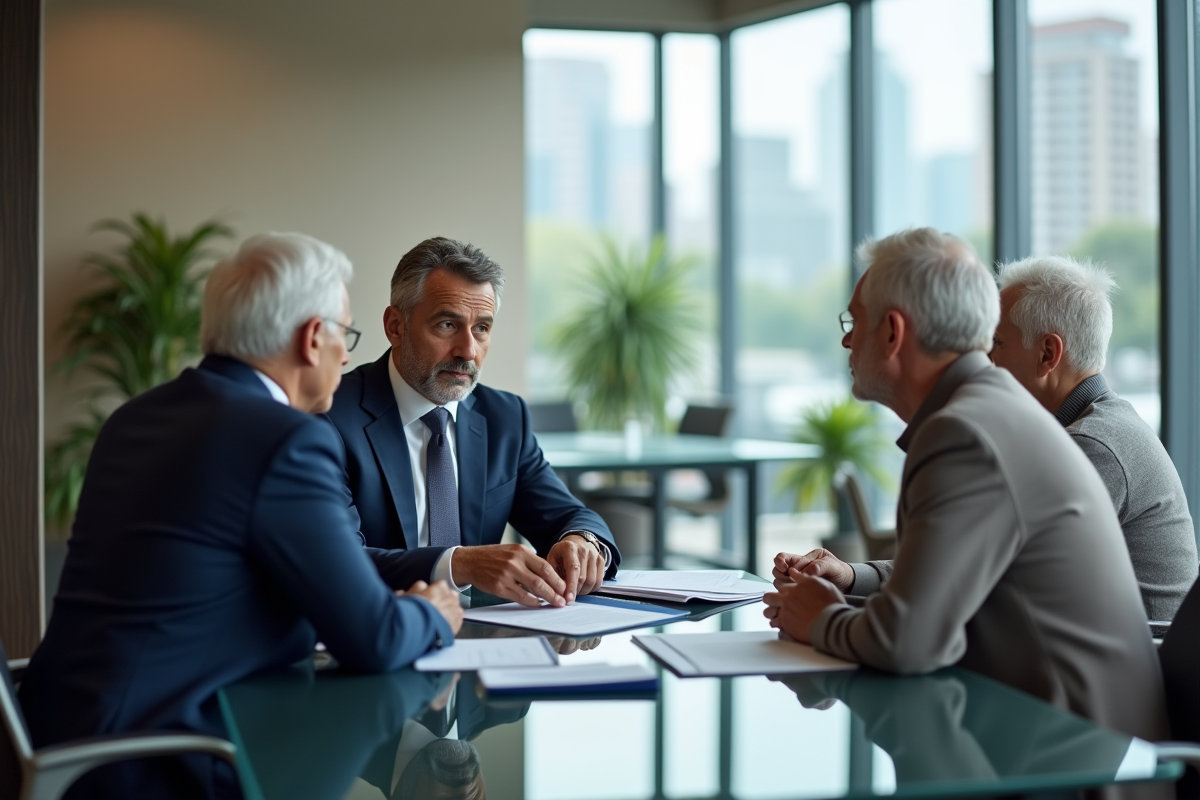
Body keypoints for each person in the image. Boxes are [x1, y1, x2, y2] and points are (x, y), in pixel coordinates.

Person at [19, 232, 463, 800]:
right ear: (312, 338)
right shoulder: (285, 439)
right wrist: (433, 611)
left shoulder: (135, 416)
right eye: (345, 335)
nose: (348, 355)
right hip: (162, 760)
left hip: (63, 735)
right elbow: (372, 637)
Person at [764, 228, 1169, 747]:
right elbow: (931, 602)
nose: (846, 340)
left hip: (1067, 759)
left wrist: (820, 617)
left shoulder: (964, 432)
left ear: (892, 332)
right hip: (1044, 732)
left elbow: (907, 642)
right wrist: (841, 594)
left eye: (853, 321)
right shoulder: (984, 410)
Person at [326, 236, 619, 608]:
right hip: (371, 634)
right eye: (448, 324)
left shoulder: (504, 417)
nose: (468, 351)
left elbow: (568, 514)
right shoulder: (331, 415)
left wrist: (582, 541)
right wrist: (458, 563)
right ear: (395, 326)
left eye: (481, 328)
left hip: (485, 640)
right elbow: (338, 562)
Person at [990, 255, 1198, 620]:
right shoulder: (1096, 427)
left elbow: (982, 571)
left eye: (997, 342)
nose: (985, 359)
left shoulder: (1092, 446)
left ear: (1047, 354)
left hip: (1144, 665)